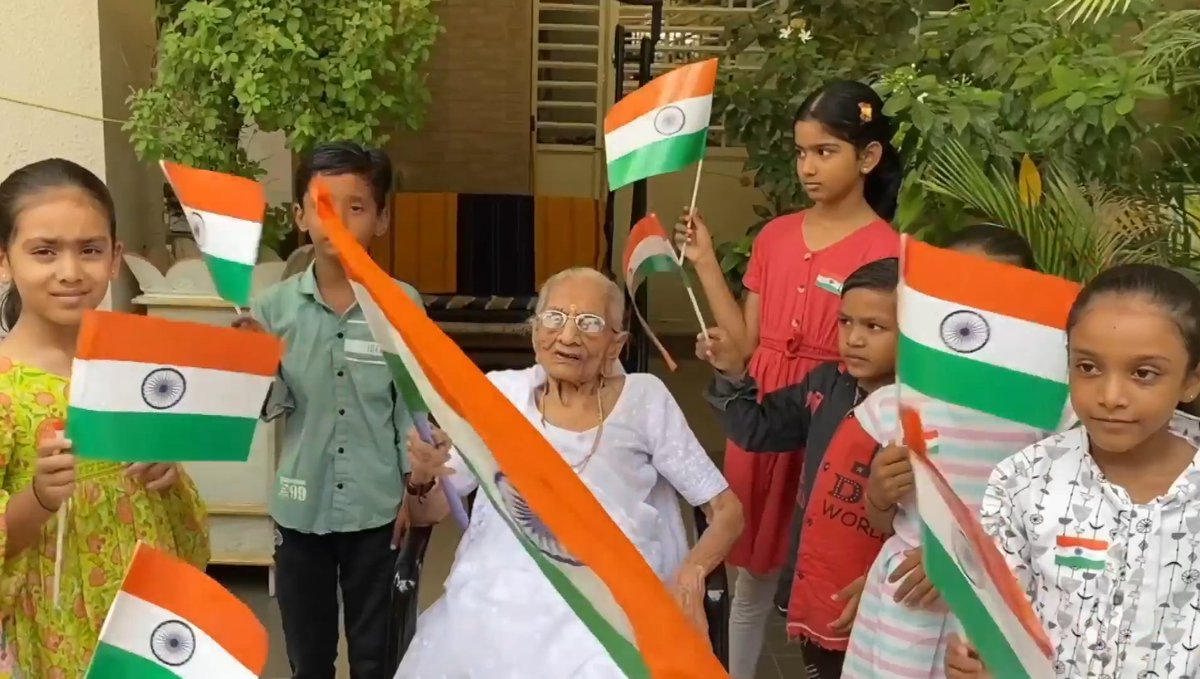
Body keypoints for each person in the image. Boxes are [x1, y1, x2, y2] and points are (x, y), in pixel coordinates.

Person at [394, 266, 744, 678]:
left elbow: (727, 511)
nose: (568, 337)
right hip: (499, 588)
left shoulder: (645, 399)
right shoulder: (499, 395)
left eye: (589, 323)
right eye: (554, 319)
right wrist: (421, 477)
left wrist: (690, 573)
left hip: (612, 595)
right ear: (533, 331)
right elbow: (428, 512)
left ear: (617, 344)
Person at [674, 79, 902, 678]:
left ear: (869, 157)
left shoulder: (890, 251)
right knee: (750, 573)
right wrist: (703, 264)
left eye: (825, 151)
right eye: (801, 152)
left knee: (829, 558)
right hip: (768, 406)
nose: (808, 166)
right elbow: (748, 345)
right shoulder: (775, 236)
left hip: (838, 419)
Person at [0, 158, 209, 676]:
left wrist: (169, 472)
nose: (70, 271)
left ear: (115, 258)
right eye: (44, 251)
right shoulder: (6, 389)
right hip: (57, 637)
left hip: (151, 621)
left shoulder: (136, 372)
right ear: (4, 260)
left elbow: (177, 523)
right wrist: (40, 497)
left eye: (90, 250)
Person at [947, 263, 1200, 678]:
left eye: (1143, 373)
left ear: (1191, 380)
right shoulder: (1023, 481)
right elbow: (996, 622)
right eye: (1088, 367)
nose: (1110, 396)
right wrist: (978, 661)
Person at [233, 142, 421, 679]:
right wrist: (252, 364)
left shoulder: (401, 304)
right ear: (300, 217)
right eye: (322, 205)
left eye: (356, 207)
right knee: (308, 658)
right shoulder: (273, 308)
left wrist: (414, 489)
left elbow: (413, 406)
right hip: (299, 507)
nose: (337, 221)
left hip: (379, 511)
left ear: (382, 218)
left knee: (377, 656)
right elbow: (271, 407)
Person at [842, 225, 1056, 678]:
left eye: (998, 295)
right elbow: (884, 518)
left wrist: (962, 559)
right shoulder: (901, 400)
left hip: (993, 610)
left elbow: (1052, 529)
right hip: (905, 610)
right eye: (960, 288)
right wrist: (879, 493)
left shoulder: (1049, 412)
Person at [701, 258, 899, 678]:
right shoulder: (827, 385)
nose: (854, 339)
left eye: (874, 327)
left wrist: (886, 582)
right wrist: (734, 373)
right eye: (845, 322)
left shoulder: (922, 414)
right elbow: (758, 428)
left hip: (882, 602)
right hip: (816, 590)